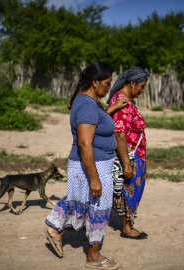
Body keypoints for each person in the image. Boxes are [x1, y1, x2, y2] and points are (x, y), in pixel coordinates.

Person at [44, 61, 127, 269]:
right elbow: (84, 143)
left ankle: (56, 229)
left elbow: (94, 126)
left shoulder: (87, 102)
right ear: (95, 81)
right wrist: (95, 179)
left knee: (82, 203)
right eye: (107, 83)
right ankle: (93, 257)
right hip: (94, 166)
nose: (109, 87)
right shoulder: (89, 105)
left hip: (93, 165)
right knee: (99, 209)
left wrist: (112, 109)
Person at [107, 67, 150, 240]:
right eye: (141, 86)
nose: (142, 90)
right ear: (132, 84)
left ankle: (127, 224)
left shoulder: (125, 100)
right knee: (128, 190)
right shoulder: (122, 103)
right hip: (130, 156)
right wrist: (126, 163)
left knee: (130, 190)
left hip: (135, 154)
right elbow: (119, 134)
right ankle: (127, 228)